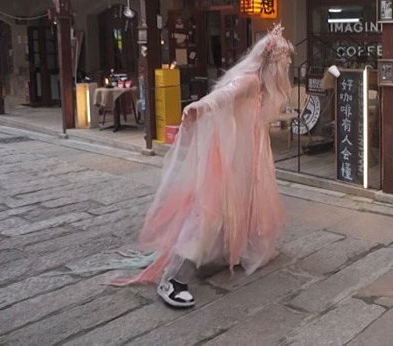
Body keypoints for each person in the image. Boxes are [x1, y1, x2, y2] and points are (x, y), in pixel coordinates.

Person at [112, 24, 295, 308]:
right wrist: (201, 106)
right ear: (273, 63)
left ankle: (228, 252)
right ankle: (174, 279)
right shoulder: (250, 80)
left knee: (234, 208)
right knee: (209, 212)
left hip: (244, 160)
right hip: (230, 160)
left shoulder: (260, 85)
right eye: (284, 63)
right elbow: (225, 94)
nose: (287, 68)